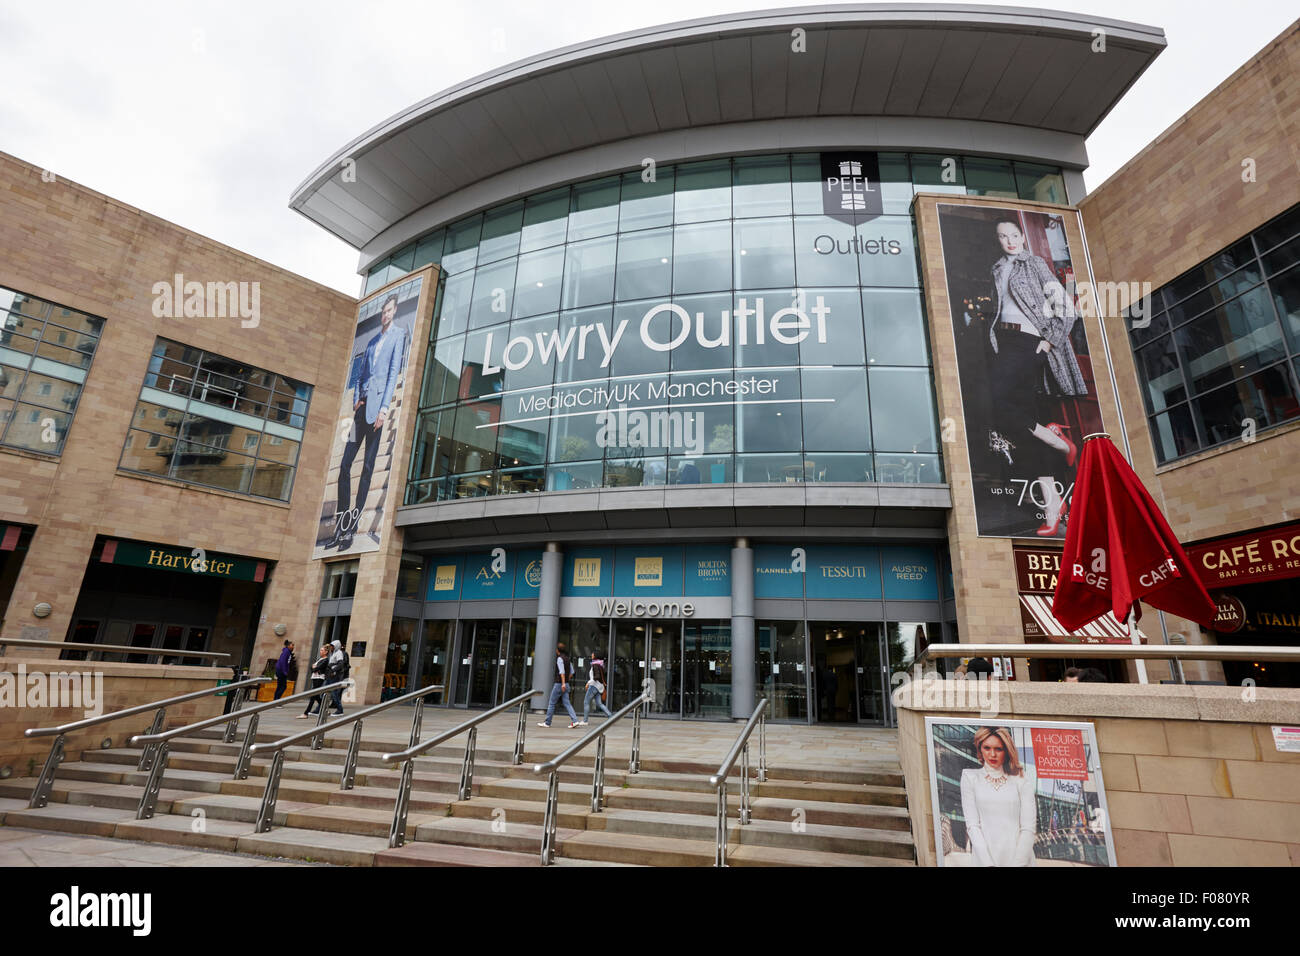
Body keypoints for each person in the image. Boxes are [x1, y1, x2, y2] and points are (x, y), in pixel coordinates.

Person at [987, 218, 1084, 537]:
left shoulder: (1035, 264)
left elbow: (1066, 309)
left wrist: (1048, 341)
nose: (1010, 240)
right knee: (1025, 422)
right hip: (1005, 343)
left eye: (1015, 234)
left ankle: (1057, 439)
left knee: (998, 405)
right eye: (1004, 236)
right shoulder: (997, 268)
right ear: (998, 240)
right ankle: (1054, 506)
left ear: (1022, 237)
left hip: (1030, 343)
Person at [331, 293, 408, 551]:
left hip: (378, 413)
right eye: (383, 311)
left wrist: (385, 408)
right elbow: (362, 373)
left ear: (394, 312)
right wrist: (356, 396)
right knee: (344, 465)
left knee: (367, 468)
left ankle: (351, 528)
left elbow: (392, 373)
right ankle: (342, 522)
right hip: (360, 410)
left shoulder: (398, 336)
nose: (385, 315)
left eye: (389, 311)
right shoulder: (373, 341)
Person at [959, 725, 1037, 866]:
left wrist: (1017, 864)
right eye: (987, 748)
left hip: (1019, 860)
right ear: (980, 749)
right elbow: (972, 825)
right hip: (984, 859)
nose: (992, 754)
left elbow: (1028, 828)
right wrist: (988, 864)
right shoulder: (969, 778)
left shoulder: (1021, 779)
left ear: (1007, 751)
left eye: (998, 749)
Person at [538, 642, 579, 729]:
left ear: (557, 650)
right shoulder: (568, 659)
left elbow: (562, 672)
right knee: (567, 703)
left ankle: (547, 723)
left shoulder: (560, 659)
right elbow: (572, 672)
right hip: (566, 684)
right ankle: (575, 721)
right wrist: (566, 681)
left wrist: (563, 683)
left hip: (559, 684)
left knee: (552, 703)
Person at [298, 645, 331, 717]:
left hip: (319, 678)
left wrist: (314, 668)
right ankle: (326, 710)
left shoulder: (326, 660)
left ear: (326, 652)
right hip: (315, 678)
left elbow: (315, 668)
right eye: (320, 650)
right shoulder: (320, 659)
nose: (320, 652)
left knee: (313, 695)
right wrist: (314, 668)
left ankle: (305, 713)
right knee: (316, 696)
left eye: (322, 650)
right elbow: (312, 668)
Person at [582, 652, 612, 724]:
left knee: (586, 702)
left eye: (592, 654)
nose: (591, 655)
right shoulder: (600, 664)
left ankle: (585, 721)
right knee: (599, 704)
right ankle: (611, 717)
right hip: (599, 687)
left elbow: (597, 677)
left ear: (595, 656)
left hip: (594, 686)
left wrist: (588, 683)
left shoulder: (595, 665)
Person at [327, 639, 349, 715]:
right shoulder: (333, 653)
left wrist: (333, 670)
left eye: (332, 646)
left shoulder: (339, 653)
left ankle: (340, 709)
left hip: (334, 675)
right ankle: (320, 708)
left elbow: (340, 664)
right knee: (325, 691)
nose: (331, 648)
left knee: (334, 693)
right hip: (330, 674)